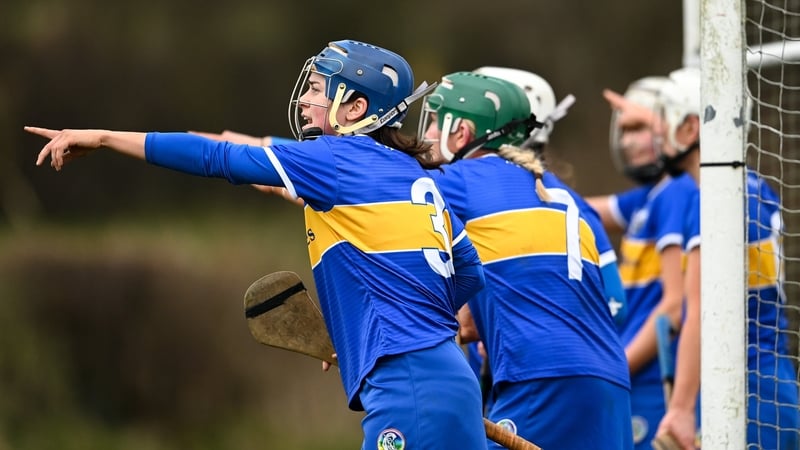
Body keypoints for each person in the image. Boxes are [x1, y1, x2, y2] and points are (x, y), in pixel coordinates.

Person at [27, 39, 492, 450]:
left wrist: (106, 137)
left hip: (405, 386)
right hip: (453, 380)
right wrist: (378, 329)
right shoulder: (413, 175)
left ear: (354, 109)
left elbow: (217, 157)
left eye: (318, 89)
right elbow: (469, 272)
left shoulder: (333, 160)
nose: (306, 101)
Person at [420, 70, 633, 450]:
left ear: (463, 131)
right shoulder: (567, 195)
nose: (429, 132)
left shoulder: (461, 177)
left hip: (539, 375)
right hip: (610, 380)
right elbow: (613, 305)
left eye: (436, 120)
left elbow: (375, 197)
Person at [650, 67, 799, 450]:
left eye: (665, 117)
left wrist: (681, 408)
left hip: (742, 385)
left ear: (691, 128)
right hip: (770, 379)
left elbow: (701, 310)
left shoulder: (715, 196)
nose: (657, 131)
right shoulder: (753, 185)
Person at [586, 75, 699, 450]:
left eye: (638, 127)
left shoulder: (677, 192)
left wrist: (613, 369)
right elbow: (579, 210)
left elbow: (674, 306)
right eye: (623, 130)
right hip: (637, 379)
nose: (627, 141)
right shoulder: (648, 198)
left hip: (650, 381)